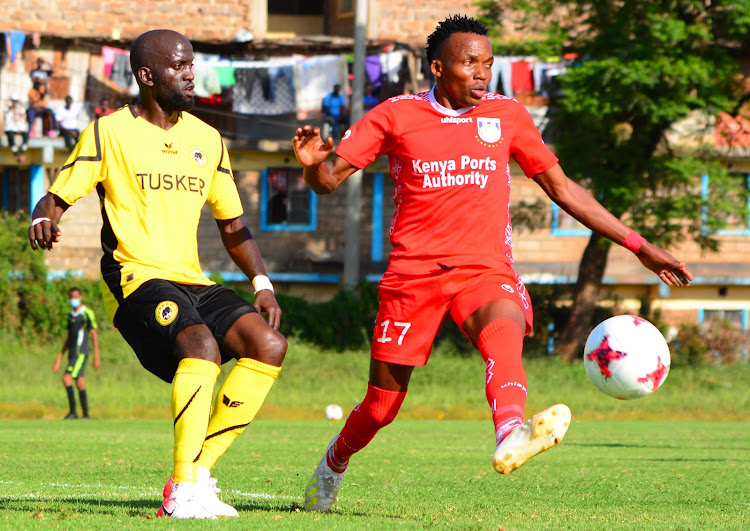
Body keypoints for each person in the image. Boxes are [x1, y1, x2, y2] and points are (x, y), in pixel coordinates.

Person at [293, 14, 694, 512]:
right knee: (381, 407)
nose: (483, 74)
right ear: (437, 68)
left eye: (488, 64)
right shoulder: (394, 115)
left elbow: (563, 190)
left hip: (484, 269)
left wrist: (639, 245)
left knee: (502, 334)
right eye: (470, 64)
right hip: (412, 275)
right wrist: (311, 168)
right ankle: (332, 465)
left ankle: (510, 429)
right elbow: (329, 180)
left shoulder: (508, 115)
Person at [28, 29, 287, 520]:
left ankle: (197, 475)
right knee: (201, 346)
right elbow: (57, 196)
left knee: (268, 345)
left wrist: (262, 284)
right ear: (147, 76)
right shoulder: (109, 132)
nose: (191, 73)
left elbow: (233, 225)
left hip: (189, 277)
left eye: (192, 63)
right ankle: (183, 490)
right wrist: (43, 218)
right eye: (178, 65)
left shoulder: (208, 140)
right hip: (132, 274)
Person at [53, 287, 100, 419]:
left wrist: (96, 357)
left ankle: (73, 412)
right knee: (79, 381)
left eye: (76, 297)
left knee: (66, 378)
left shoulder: (86, 313)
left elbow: (94, 334)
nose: (73, 300)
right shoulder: (70, 316)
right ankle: (85, 414)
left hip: (81, 352)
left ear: (80, 297)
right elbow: (68, 339)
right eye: (71, 297)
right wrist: (59, 357)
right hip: (72, 353)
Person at [4, 96, 29, 162]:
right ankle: (16, 154)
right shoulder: (7, 109)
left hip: (18, 128)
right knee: (11, 137)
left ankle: (20, 153)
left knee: (26, 136)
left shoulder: (20, 109)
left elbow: (24, 118)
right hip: (10, 128)